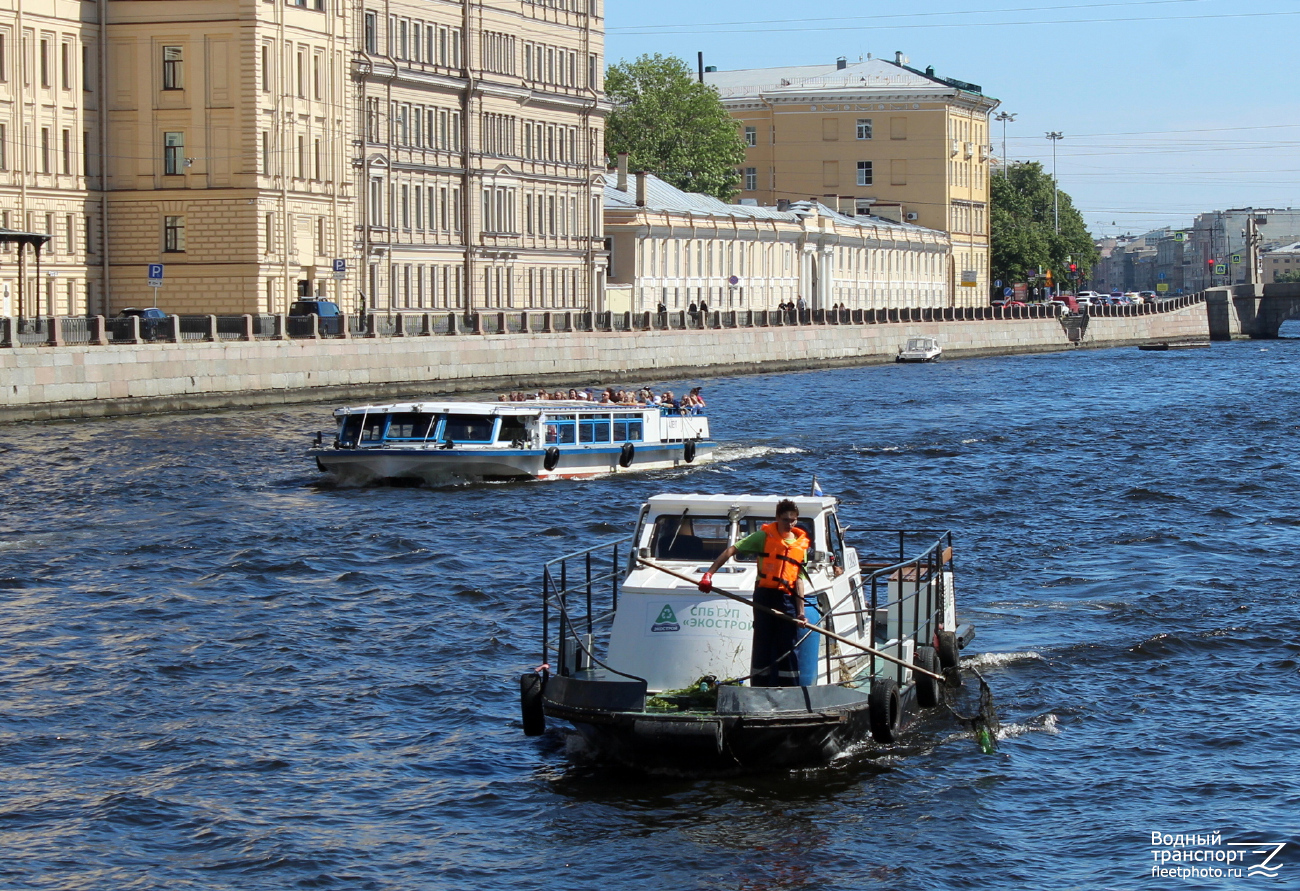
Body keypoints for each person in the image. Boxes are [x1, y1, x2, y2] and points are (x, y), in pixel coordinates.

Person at [698, 499, 810, 687]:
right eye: (785, 519)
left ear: (796, 520)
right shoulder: (763, 537)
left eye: (792, 520)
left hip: (788, 599)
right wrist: (709, 574)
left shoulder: (800, 545)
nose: (789, 524)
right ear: (777, 518)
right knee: (762, 644)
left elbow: (799, 580)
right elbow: (731, 550)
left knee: (789, 646)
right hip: (765, 596)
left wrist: (801, 612)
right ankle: (759, 686)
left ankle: (790, 690)